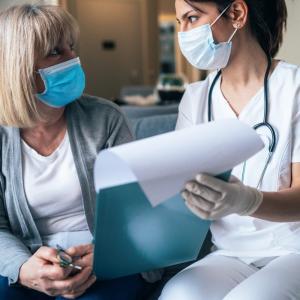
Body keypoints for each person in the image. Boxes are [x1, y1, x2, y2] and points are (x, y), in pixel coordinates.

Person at [0, 4, 149, 299]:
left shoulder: (106, 118)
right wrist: (23, 268)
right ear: (19, 67)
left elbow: (137, 209)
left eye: (71, 47)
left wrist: (106, 254)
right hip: (29, 257)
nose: (74, 59)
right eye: (56, 52)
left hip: (103, 257)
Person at [160, 0, 300, 299]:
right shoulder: (196, 99)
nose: (183, 32)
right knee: (179, 294)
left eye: (192, 18)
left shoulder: (294, 88)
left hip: (292, 251)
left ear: (236, 14)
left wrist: (247, 201)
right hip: (229, 253)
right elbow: (178, 187)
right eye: (180, 21)